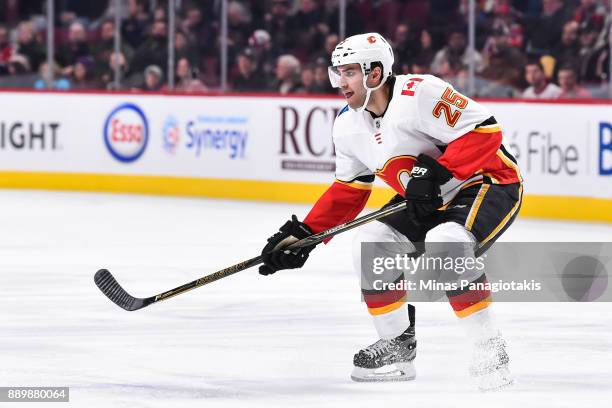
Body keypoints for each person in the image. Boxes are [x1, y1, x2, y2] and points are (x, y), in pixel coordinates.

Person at [257, 33, 522, 391]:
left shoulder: (421, 93)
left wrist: (435, 171)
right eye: (339, 73)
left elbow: (486, 131)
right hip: (423, 197)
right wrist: (306, 233)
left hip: (486, 181)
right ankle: (398, 345)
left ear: (375, 74)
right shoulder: (347, 125)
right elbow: (349, 190)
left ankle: (489, 349)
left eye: (349, 72)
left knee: (445, 243)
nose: (341, 82)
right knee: (371, 242)